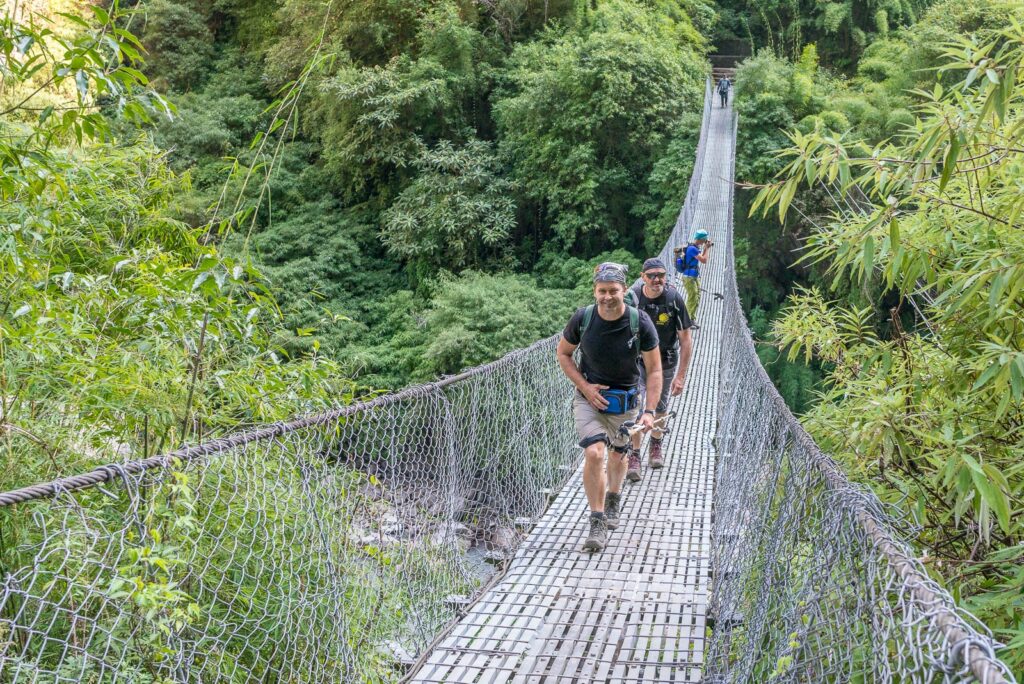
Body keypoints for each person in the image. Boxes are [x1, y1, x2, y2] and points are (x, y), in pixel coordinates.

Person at [557, 263, 662, 552]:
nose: (607, 297)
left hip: (626, 402)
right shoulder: (583, 319)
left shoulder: (639, 322)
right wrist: (586, 387)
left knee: (618, 455)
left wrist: (650, 411)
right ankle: (597, 520)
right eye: (601, 291)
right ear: (595, 291)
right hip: (589, 399)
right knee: (594, 452)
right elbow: (564, 354)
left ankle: (614, 498)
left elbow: (654, 370)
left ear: (623, 290)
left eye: (613, 290)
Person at [623, 258, 693, 481]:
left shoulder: (673, 299)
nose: (656, 279)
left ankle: (655, 444)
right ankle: (634, 453)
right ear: (642, 277)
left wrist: (681, 376)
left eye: (660, 275)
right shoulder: (633, 298)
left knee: (660, 407)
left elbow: (686, 340)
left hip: (664, 361)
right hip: (637, 362)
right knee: (635, 405)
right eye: (651, 275)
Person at [675, 229, 713, 319]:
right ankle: (686, 319)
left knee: (697, 297)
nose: (705, 241)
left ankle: (691, 318)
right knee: (693, 297)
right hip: (689, 277)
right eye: (705, 240)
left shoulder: (694, 247)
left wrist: (704, 249)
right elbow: (704, 260)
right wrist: (707, 248)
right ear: (701, 239)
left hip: (694, 276)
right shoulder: (692, 249)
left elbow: (701, 257)